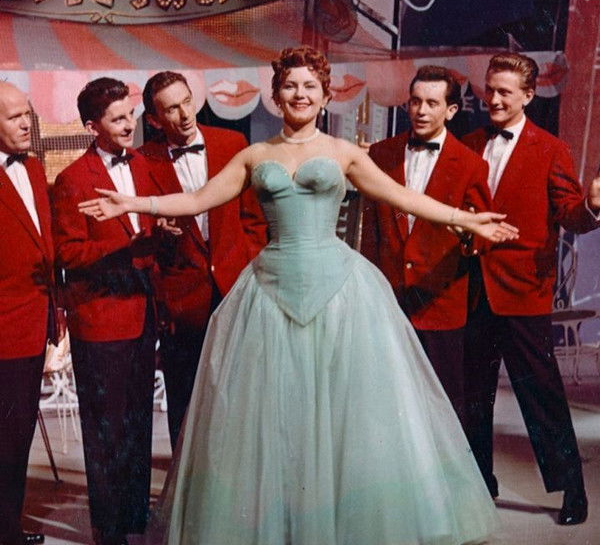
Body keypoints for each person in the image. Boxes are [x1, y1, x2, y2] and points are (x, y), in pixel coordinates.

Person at [80, 47, 518, 545]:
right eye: (290, 85)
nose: (300, 94)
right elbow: (199, 199)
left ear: (325, 96)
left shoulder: (345, 153)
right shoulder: (254, 156)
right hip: (270, 292)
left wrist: (466, 219)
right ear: (275, 95)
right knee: (273, 422)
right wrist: (134, 202)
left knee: (344, 416)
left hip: (340, 292)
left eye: (310, 86)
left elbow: (403, 197)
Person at [461, 52, 600, 525]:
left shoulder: (551, 149)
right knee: (473, 397)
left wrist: (593, 206)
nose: (495, 99)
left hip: (523, 293)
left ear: (528, 95)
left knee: (542, 397)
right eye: (490, 89)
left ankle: (573, 490)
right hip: (472, 290)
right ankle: (481, 482)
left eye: (505, 92)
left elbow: (571, 215)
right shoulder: (469, 143)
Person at [52, 78, 158, 545]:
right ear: (92, 126)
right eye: (117, 119)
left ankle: (134, 519)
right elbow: (68, 254)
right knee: (106, 430)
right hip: (100, 320)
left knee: (138, 423)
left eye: (130, 114)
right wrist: (126, 248)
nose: (129, 124)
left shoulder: (144, 164)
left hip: (143, 314)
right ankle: (109, 529)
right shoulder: (72, 179)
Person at [140, 71, 267, 450]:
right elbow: (143, 232)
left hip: (236, 290)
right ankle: (186, 479)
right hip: (182, 302)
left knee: (240, 396)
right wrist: (158, 236)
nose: (184, 114)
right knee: (185, 402)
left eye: (187, 102)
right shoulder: (143, 161)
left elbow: (254, 220)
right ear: (154, 120)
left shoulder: (233, 143)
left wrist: (249, 270)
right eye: (171, 109)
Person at [361, 65, 492, 425]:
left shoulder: (471, 165)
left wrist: (467, 236)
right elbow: (370, 232)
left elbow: (479, 235)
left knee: (441, 412)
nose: (421, 110)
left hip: (440, 304)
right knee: (384, 407)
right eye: (415, 101)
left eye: (432, 103)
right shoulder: (380, 153)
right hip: (388, 302)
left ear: (451, 110)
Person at [0, 82, 62, 545]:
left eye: (27, 114)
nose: (25, 124)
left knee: (16, 436)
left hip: (33, 323)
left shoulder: (35, 167)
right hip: (4, 325)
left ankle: (8, 528)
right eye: (13, 117)